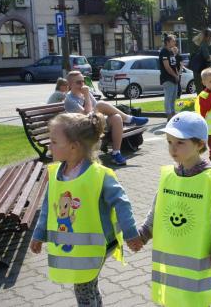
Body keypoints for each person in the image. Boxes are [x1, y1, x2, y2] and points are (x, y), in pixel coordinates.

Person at [29, 112, 143, 306]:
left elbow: (121, 203)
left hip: (97, 245)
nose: (49, 146)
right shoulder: (57, 173)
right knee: (87, 287)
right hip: (77, 249)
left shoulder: (98, 175)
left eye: (54, 141)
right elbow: (48, 206)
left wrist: (131, 234)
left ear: (73, 147)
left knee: (83, 290)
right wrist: (39, 234)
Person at [138, 111, 211, 307]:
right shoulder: (168, 175)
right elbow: (157, 207)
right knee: (173, 298)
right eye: (169, 142)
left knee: (195, 299)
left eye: (180, 143)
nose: (173, 149)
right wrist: (144, 232)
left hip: (199, 255)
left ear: (199, 144)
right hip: (171, 256)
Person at [64, 71, 148, 166]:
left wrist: (88, 97)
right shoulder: (69, 99)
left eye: (83, 81)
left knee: (116, 118)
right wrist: (87, 95)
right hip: (83, 128)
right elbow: (86, 115)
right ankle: (129, 119)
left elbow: (96, 110)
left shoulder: (84, 92)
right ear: (70, 84)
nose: (82, 84)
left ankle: (116, 153)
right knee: (100, 104)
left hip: (95, 122)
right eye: (78, 82)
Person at [160, 34, 180, 121]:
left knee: (173, 97)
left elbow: (174, 65)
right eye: (173, 41)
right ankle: (169, 116)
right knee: (168, 98)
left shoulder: (171, 52)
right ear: (167, 42)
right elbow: (167, 67)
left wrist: (177, 74)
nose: (175, 42)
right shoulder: (164, 52)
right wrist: (175, 75)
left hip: (174, 78)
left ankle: (173, 114)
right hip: (167, 78)